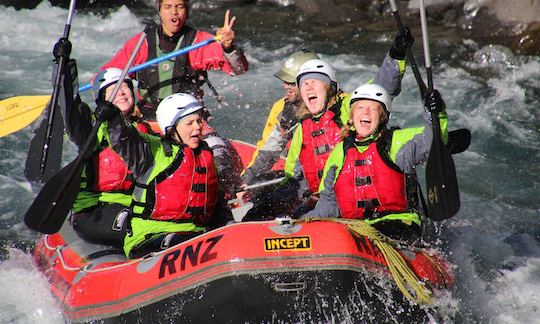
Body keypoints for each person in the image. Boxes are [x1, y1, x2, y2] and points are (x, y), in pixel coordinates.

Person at [242, 28, 413, 186]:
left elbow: (381, 86)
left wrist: (396, 53)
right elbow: (269, 151)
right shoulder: (283, 109)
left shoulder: (346, 106)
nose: (286, 87)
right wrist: (247, 179)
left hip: (347, 181)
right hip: (310, 182)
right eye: (285, 82)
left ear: (325, 85)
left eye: (291, 82)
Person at [302, 83, 448, 242]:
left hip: (398, 224)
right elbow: (329, 202)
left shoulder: (397, 142)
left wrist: (435, 114)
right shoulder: (339, 152)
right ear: (351, 117)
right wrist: (304, 224)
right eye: (360, 108)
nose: (365, 112)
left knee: (376, 233)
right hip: (355, 228)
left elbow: (432, 141)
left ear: (383, 116)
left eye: (373, 109)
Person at [94, 92, 231, 258]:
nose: (197, 127)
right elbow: (124, 139)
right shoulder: (153, 151)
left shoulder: (205, 155)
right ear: (171, 128)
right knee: (198, 242)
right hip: (151, 235)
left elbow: (215, 203)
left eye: (199, 121)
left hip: (196, 234)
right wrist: (114, 117)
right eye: (189, 123)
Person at [101, 0, 248, 120]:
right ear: (159, 10)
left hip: (188, 118)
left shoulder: (199, 41)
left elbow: (238, 69)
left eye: (179, 7)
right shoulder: (141, 43)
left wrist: (228, 47)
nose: (174, 12)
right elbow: (106, 76)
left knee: (219, 153)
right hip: (149, 117)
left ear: (187, 11)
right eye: (168, 7)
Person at [57, 62, 152, 248]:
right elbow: (70, 106)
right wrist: (63, 67)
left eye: (125, 86)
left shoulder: (147, 129)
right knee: (139, 227)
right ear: (102, 100)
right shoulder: (89, 129)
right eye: (114, 90)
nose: (122, 92)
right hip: (95, 209)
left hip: (137, 204)